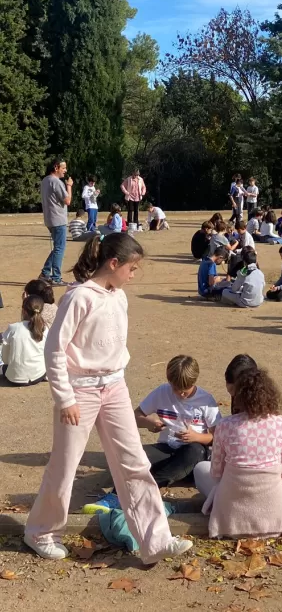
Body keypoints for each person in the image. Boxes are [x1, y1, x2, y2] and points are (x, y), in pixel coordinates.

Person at [24, 232, 193, 563]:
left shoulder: (120, 297)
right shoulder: (79, 298)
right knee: (64, 464)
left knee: (135, 464)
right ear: (113, 263)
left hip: (115, 388)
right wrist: (65, 398)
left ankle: (155, 539)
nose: (134, 275)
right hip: (80, 392)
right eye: (132, 268)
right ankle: (40, 532)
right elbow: (55, 350)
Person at [193, 367, 282, 538]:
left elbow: (216, 473)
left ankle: (217, 500)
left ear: (239, 396)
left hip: (232, 508)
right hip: (274, 510)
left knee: (200, 468)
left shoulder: (225, 425)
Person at [135, 355, 221, 488]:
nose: (180, 394)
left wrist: (196, 437)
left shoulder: (206, 400)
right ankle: (170, 474)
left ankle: (145, 484)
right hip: (166, 448)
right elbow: (135, 416)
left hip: (194, 451)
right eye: (175, 389)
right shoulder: (162, 392)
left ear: (194, 382)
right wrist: (148, 422)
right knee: (132, 455)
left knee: (194, 452)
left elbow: (218, 437)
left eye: (185, 390)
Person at [39, 158, 73, 287]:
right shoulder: (56, 181)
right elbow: (67, 201)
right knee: (59, 248)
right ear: (56, 167)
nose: (65, 171)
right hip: (58, 219)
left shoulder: (45, 180)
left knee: (57, 248)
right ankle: (56, 278)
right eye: (63, 168)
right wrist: (69, 186)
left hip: (49, 219)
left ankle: (45, 273)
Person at [1, 295, 47, 386]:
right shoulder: (45, 329)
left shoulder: (13, 328)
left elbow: (5, 359)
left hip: (15, 378)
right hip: (38, 375)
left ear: (23, 311)